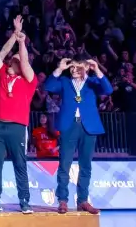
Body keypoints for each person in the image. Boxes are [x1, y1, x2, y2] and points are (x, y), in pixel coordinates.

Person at [43, 56, 111, 214]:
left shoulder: (93, 83)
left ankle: (82, 201)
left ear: (86, 68)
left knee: (85, 165)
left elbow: (108, 90)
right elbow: (49, 86)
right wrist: (60, 68)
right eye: (72, 67)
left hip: (89, 127)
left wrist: (97, 69)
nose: (73, 70)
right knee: (64, 164)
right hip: (69, 126)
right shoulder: (65, 82)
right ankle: (62, 200)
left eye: (78, 67)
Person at [0, 16, 36, 214]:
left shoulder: (28, 81)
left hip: (17, 127)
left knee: (19, 164)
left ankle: (24, 200)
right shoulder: (3, 76)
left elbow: (25, 60)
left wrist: (21, 40)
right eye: (13, 61)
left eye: (17, 61)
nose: (14, 62)